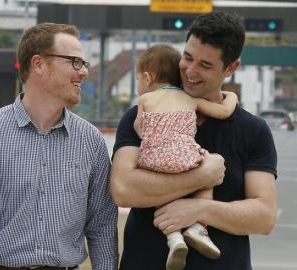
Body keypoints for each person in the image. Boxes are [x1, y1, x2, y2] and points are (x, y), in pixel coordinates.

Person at [111, 11, 277, 270]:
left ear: (231, 68)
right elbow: (122, 189)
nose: (190, 71)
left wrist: (198, 210)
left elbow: (264, 216)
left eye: (205, 65)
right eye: (187, 58)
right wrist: (203, 176)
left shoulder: (253, 130)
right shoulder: (143, 115)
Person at [0, 23, 118, 270]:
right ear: (38, 64)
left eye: (84, 64)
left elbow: (101, 226)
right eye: (74, 62)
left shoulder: (91, 141)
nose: (83, 72)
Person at [133, 44, 238, 270]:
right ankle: (198, 228)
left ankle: (174, 238)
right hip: (185, 157)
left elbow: (139, 128)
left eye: (138, 81)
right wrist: (232, 96)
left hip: (153, 160)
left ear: (148, 77)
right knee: (209, 166)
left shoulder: (145, 101)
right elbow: (224, 112)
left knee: (159, 185)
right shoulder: (189, 99)